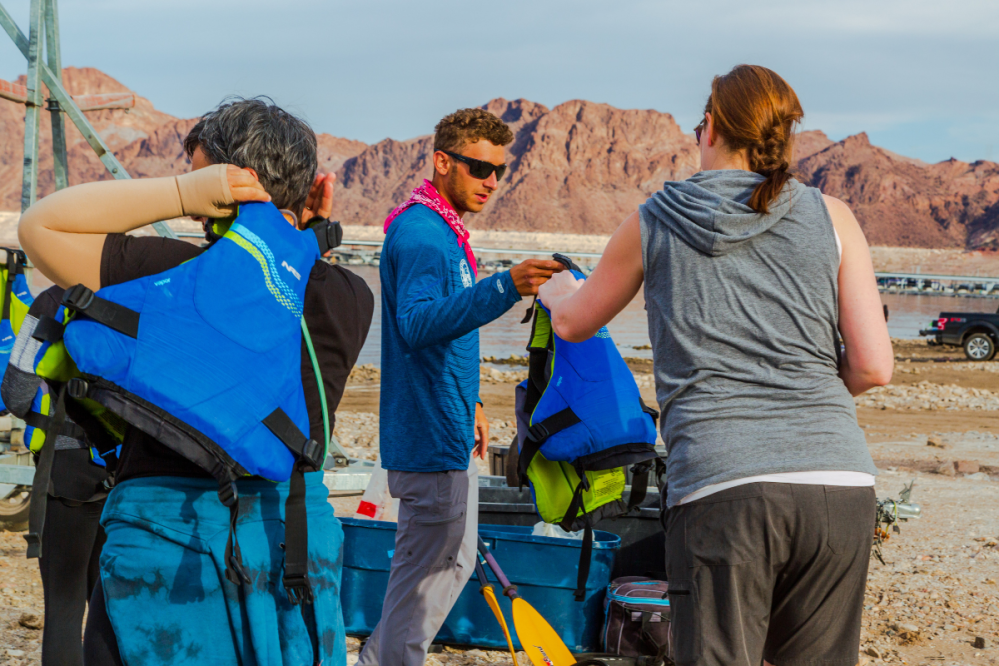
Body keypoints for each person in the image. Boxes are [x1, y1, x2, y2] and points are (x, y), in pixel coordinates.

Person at [538, 65, 893, 666]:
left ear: (710, 129)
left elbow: (575, 322)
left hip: (721, 485)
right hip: (840, 484)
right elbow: (873, 365)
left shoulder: (658, 216)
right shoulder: (833, 217)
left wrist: (556, 288)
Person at [17, 98, 374, 666]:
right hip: (290, 541)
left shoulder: (167, 273)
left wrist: (182, 190)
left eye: (205, 175)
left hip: (166, 544)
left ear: (230, 185)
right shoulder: (351, 298)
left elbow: (39, 225)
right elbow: (278, 288)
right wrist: (300, 227)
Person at [358, 108, 563, 666]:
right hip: (428, 437)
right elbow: (419, 323)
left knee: (447, 562)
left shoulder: (435, 227)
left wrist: (471, 399)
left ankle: (385, 657)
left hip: (443, 426)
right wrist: (507, 286)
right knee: (427, 574)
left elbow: (441, 331)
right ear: (443, 162)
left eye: (499, 169)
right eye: (479, 167)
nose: (492, 181)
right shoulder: (426, 236)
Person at [1, 285, 109, 666]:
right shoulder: (141, 285)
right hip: (131, 469)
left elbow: (14, 395)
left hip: (67, 469)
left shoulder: (51, 300)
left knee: (64, 610)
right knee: (111, 611)